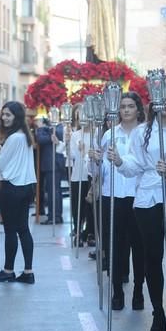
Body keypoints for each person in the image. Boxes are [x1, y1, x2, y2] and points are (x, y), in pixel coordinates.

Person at [110, 82, 166, 331]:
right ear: (153, 102)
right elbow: (135, 165)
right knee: (152, 258)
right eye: (161, 98)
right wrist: (120, 161)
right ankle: (158, 313)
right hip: (147, 201)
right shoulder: (143, 132)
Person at [90, 92, 146, 312]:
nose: (125, 110)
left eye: (130, 106)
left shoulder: (145, 134)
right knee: (113, 245)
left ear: (138, 109)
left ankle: (139, 290)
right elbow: (99, 170)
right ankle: (117, 291)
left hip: (137, 197)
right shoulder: (108, 135)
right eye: (122, 106)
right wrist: (95, 161)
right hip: (112, 195)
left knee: (138, 247)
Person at [0, 101, 37, 284]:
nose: (4, 118)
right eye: (3, 114)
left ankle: (8, 270)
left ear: (16, 116)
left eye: (8, 114)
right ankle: (28, 271)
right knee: (23, 229)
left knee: (10, 230)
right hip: (26, 187)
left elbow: (1, 164)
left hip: (12, 187)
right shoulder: (25, 136)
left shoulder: (14, 138)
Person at [65, 104, 94, 246]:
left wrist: (86, 151)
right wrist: (68, 143)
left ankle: (90, 232)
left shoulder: (97, 133)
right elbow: (71, 155)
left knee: (90, 207)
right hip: (78, 175)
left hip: (91, 175)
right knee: (78, 206)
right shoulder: (76, 135)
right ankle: (77, 231)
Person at [35, 117, 66, 224]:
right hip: (50, 164)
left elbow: (40, 138)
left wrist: (40, 128)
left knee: (54, 191)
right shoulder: (50, 130)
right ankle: (53, 215)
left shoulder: (58, 128)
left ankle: (55, 216)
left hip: (53, 164)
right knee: (53, 191)